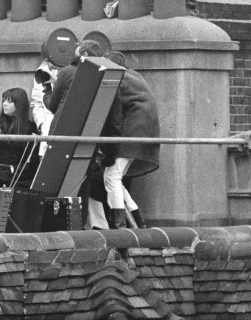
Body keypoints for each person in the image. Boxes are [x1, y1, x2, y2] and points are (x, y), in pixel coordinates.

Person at [44, 39, 122, 229]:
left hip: (61, 136)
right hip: (90, 138)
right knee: (83, 183)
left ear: (84, 56)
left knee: (54, 181)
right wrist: (111, 153)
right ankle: (80, 228)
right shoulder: (110, 77)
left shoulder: (67, 72)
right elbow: (114, 120)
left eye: (77, 53)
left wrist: (47, 90)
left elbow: (53, 105)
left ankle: (54, 225)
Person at [102, 51, 160, 229]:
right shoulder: (135, 76)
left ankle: (118, 224)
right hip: (147, 132)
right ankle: (138, 221)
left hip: (133, 130)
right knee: (115, 177)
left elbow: (113, 111)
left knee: (111, 176)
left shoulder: (117, 78)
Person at [0, 88, 40, 189]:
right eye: (4, 100)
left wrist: (14, 167)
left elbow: (31, 157)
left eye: (9, 101)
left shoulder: (29, 127)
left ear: (19, 104)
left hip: (18, 170)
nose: (4, 104)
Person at [31, 43, 60, 159]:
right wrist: (42, 123)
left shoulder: (69, 71)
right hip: (47, 129)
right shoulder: (42, 71)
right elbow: (36, 102)